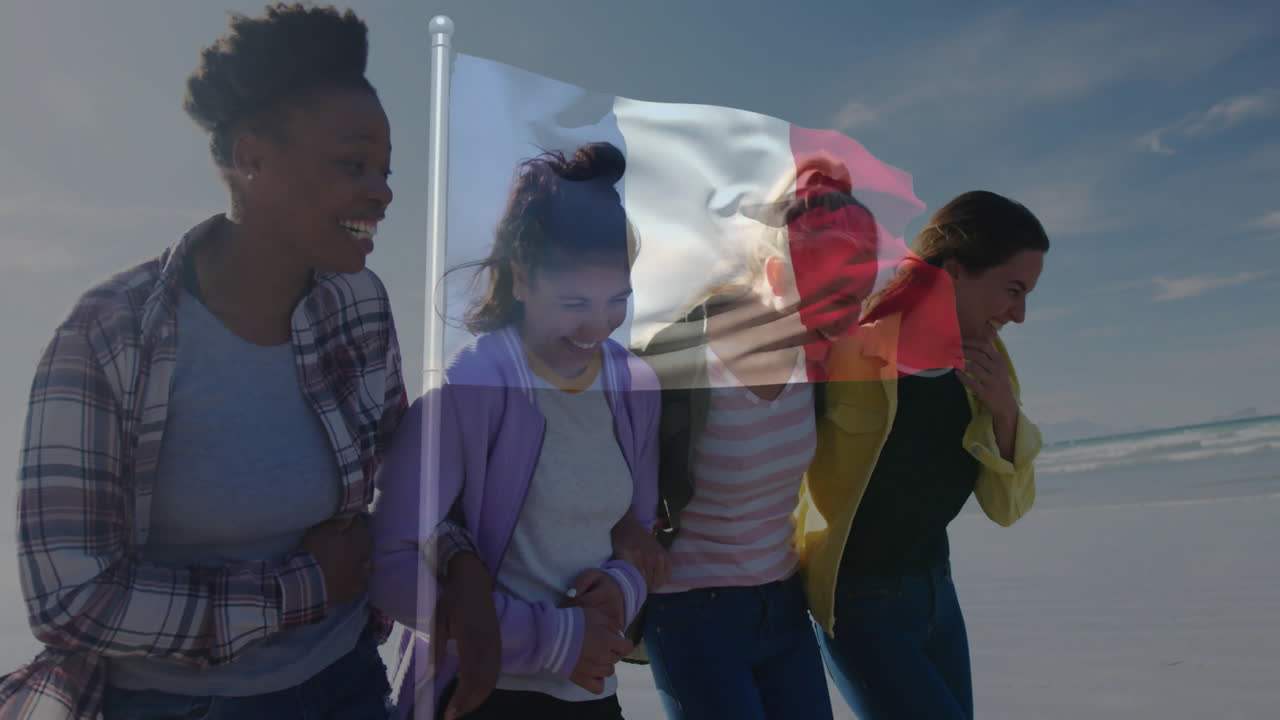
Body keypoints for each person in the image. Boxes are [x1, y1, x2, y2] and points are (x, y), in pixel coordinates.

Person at [0, 5, 409, 719]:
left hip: (348, 679)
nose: (383, 190)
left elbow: (403, 475)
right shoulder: (106, 337)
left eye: (384, 168)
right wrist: (302, 585)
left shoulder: (360, 305)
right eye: (353, 165)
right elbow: (72, 600)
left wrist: (460, 575)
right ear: (250, 156)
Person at [370, 142, 658, 720]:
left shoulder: (634, 390)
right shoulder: (464, 395)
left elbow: (637, 531)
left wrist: (624, 588)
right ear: (522, 278)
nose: (597, 325)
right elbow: (386, 564)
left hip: (593, 696)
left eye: (616, 301)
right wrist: (552, 640)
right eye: (575, 301)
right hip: (481, 693)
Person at [619, 157, 879, 720]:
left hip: (783, 604)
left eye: (853, 298)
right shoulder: (672, 362)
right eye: (831, 298)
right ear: (777, 278)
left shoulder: (818, 360)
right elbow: (605, 477)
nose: (843, 321)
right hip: (691, 614)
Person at [795, 190, 1049, 720]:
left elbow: (1008, 506)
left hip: (938, 594)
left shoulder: (985, 361)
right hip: (859, 605)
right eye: (1013, 290)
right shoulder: (850, 351)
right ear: (954, 271)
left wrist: (1005, 411)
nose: (1020, 315)